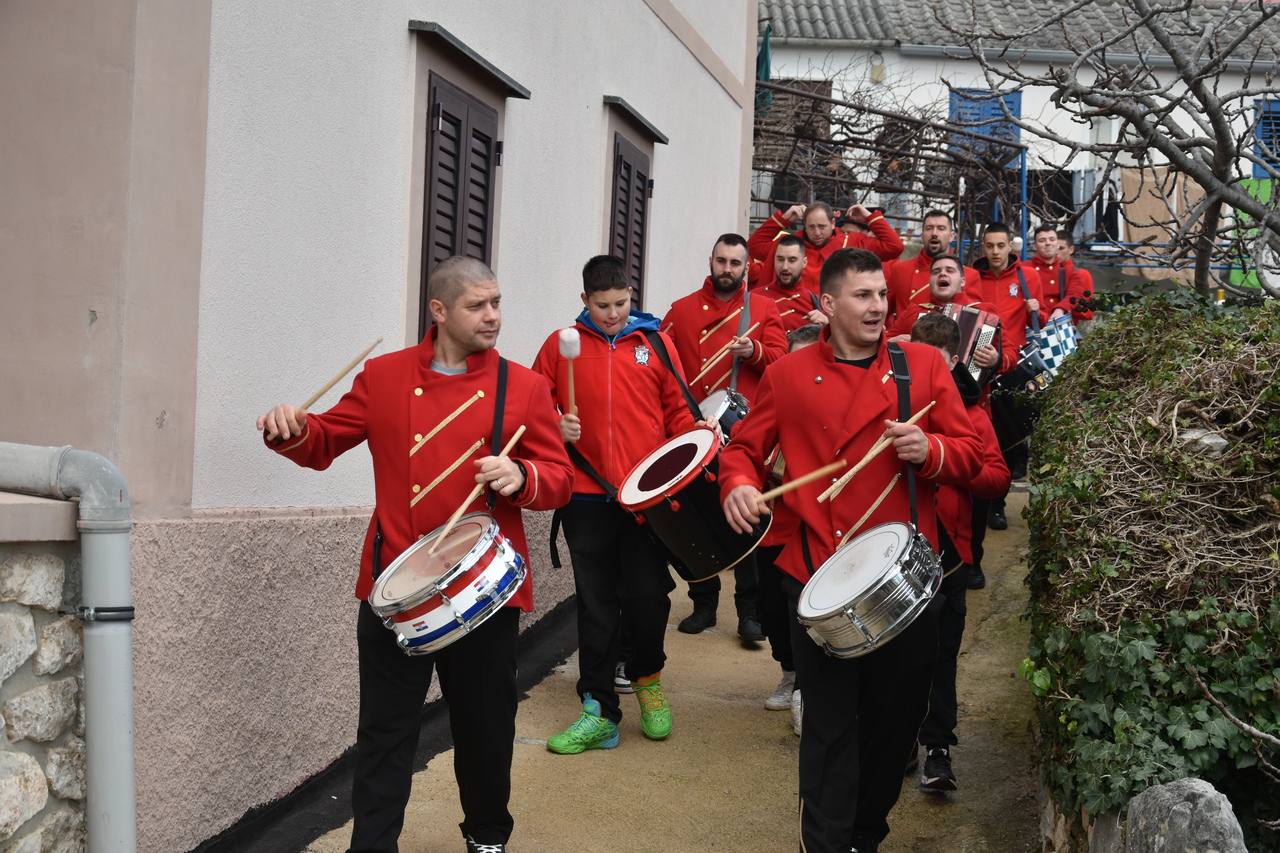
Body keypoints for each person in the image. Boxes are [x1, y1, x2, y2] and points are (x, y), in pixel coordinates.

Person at [256, 256, 574, 853]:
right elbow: (323, 442)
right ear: (439, 310)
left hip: (482, 592)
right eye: (478, 306)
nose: (493, 316)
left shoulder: (525, 386)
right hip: (396, 585)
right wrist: (290, 428)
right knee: (384, 733)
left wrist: (522, 474)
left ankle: (487, 835)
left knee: (485, 729)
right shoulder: (383, 376)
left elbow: (559, 479)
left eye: (497, 303)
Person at [719, 248, 983, 853]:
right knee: (829, 729)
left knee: (896, 726)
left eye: (882, 295)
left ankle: (865, 831)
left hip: (904, 585)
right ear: (828, 303)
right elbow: (744, 450)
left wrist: (932, 451)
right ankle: (829, 842)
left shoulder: (920, 365)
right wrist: (736, 483)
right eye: (862, 295)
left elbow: (972, 455)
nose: (877, 306)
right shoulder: (788, 373)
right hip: (818, 577)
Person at [532, 255, 703, 753]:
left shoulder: (656, 342)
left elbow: (678, 412)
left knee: (649, 595)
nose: (613, 314)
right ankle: (599, 709)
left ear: (631, 295)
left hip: (646, 497)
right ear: (584, 300)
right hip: (586, 496)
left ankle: (647, 680)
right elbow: (530, 407)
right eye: (602, 305)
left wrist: (696, 435)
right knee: (596, 603)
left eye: (621, 303)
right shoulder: (560, 345)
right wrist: (555, 424)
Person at [663, 233, 788, 638]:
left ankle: (750, 611)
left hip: (742, 431)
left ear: (747, 267)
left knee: (744, 517)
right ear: (711, 261)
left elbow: (783, 362)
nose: (727, 269)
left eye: (735, 263)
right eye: (721, 261)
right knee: (696, 518)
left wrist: (755, 352)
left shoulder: (764, 309)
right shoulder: (681, 309)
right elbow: (663, 363)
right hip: (693, 430)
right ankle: (704, 605)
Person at [907, 312, 1011, 792]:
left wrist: (946, 464)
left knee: (942, 654)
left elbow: (999, 478)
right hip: (899, 552)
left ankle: (937, 748)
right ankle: (899, 739)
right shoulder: (895, 403)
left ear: (953, 361)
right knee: (896, 654)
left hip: (951, 556)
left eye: (935, 360)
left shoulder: (975, 414)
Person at [756, 322, 822, 736]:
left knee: (807, 615)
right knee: (771, 613)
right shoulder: (777, 395)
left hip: (813, 532)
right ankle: (788, 673)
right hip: (773, 531)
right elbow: (750, 445)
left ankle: (806, 688)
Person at [967, 222, 1044, 537]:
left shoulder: (1029, 277)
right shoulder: (972, 276)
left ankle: (997, 504)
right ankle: (978, 502)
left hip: (1013, 367)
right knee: (981, 437)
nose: (995, 252)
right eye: (990, 245)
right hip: (978, 368)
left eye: (1001, 245)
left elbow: (1039, 322)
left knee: (1009, 440)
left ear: (1011, 246)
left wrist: (1038, 310)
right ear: (982, 247)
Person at [885, 253, 1011, 385]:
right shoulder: (913, 312)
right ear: (930, 281)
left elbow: (1010, 353)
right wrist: (893, 343)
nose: (942, 274)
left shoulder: (985, 312)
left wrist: (996, 360)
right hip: (920, 390)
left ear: (962, 281)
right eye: (936, 272)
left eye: (950, 270)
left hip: (969, 393)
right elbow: (882, 345)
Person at [748, 202, 905, 297]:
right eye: (811, 227)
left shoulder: (852, 242)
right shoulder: (792, 245)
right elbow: (754, 247)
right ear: (805, 226)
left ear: (832, 223)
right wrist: (783, 220)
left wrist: (870, 218)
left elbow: (894, 247)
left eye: (822, 226)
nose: (817, 233)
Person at [885, 210, 978, 323]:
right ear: (922, 236)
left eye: (941, 228)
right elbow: (883, 310)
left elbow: (975, 319)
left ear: (951, 236)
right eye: (929, 228)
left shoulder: (970, 275)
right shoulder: (900, 270)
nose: (934, 233)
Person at [749, 234, 828, 333]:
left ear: (804, 262)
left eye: (792, 260)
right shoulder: (754, 297)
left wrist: (827, 326)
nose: (785, 267)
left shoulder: (816, 303)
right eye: (780, 260)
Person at [1055, 229, 1096, 325]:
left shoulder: (1082, 274)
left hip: (1065, 327)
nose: (1056, 252)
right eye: (1054, 248)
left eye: (1061, 248)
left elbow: (1088, 313)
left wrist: (1066, 306)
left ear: (1071, 249)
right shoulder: (1043, 271)